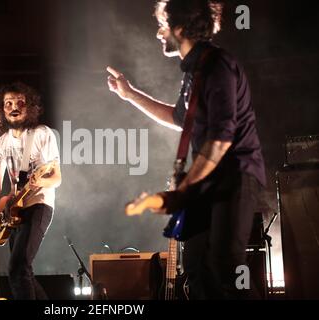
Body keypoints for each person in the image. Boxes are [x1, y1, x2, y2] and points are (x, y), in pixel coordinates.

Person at [107, 0, 266, 299]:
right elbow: (180, 118)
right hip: (204, 182)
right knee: (194, 267)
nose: (158, 33)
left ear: (179, 27)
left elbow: (221, 139)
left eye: (162, 25)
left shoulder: (218, 65)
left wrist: (185, 186)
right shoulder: (194, 72)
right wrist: (129, 95)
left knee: (224, 267)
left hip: (234, 178)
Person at [0, 81, 61, 300]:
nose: (14, 107)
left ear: (29, 106)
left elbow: (56, 177)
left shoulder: (42, 134)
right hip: (13, 211)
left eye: (20, 102)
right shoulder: (0, 144)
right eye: (8, 103)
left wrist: (38, 182)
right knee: (23, 271)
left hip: (39, 204)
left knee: (17, 268)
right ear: (1, 109)